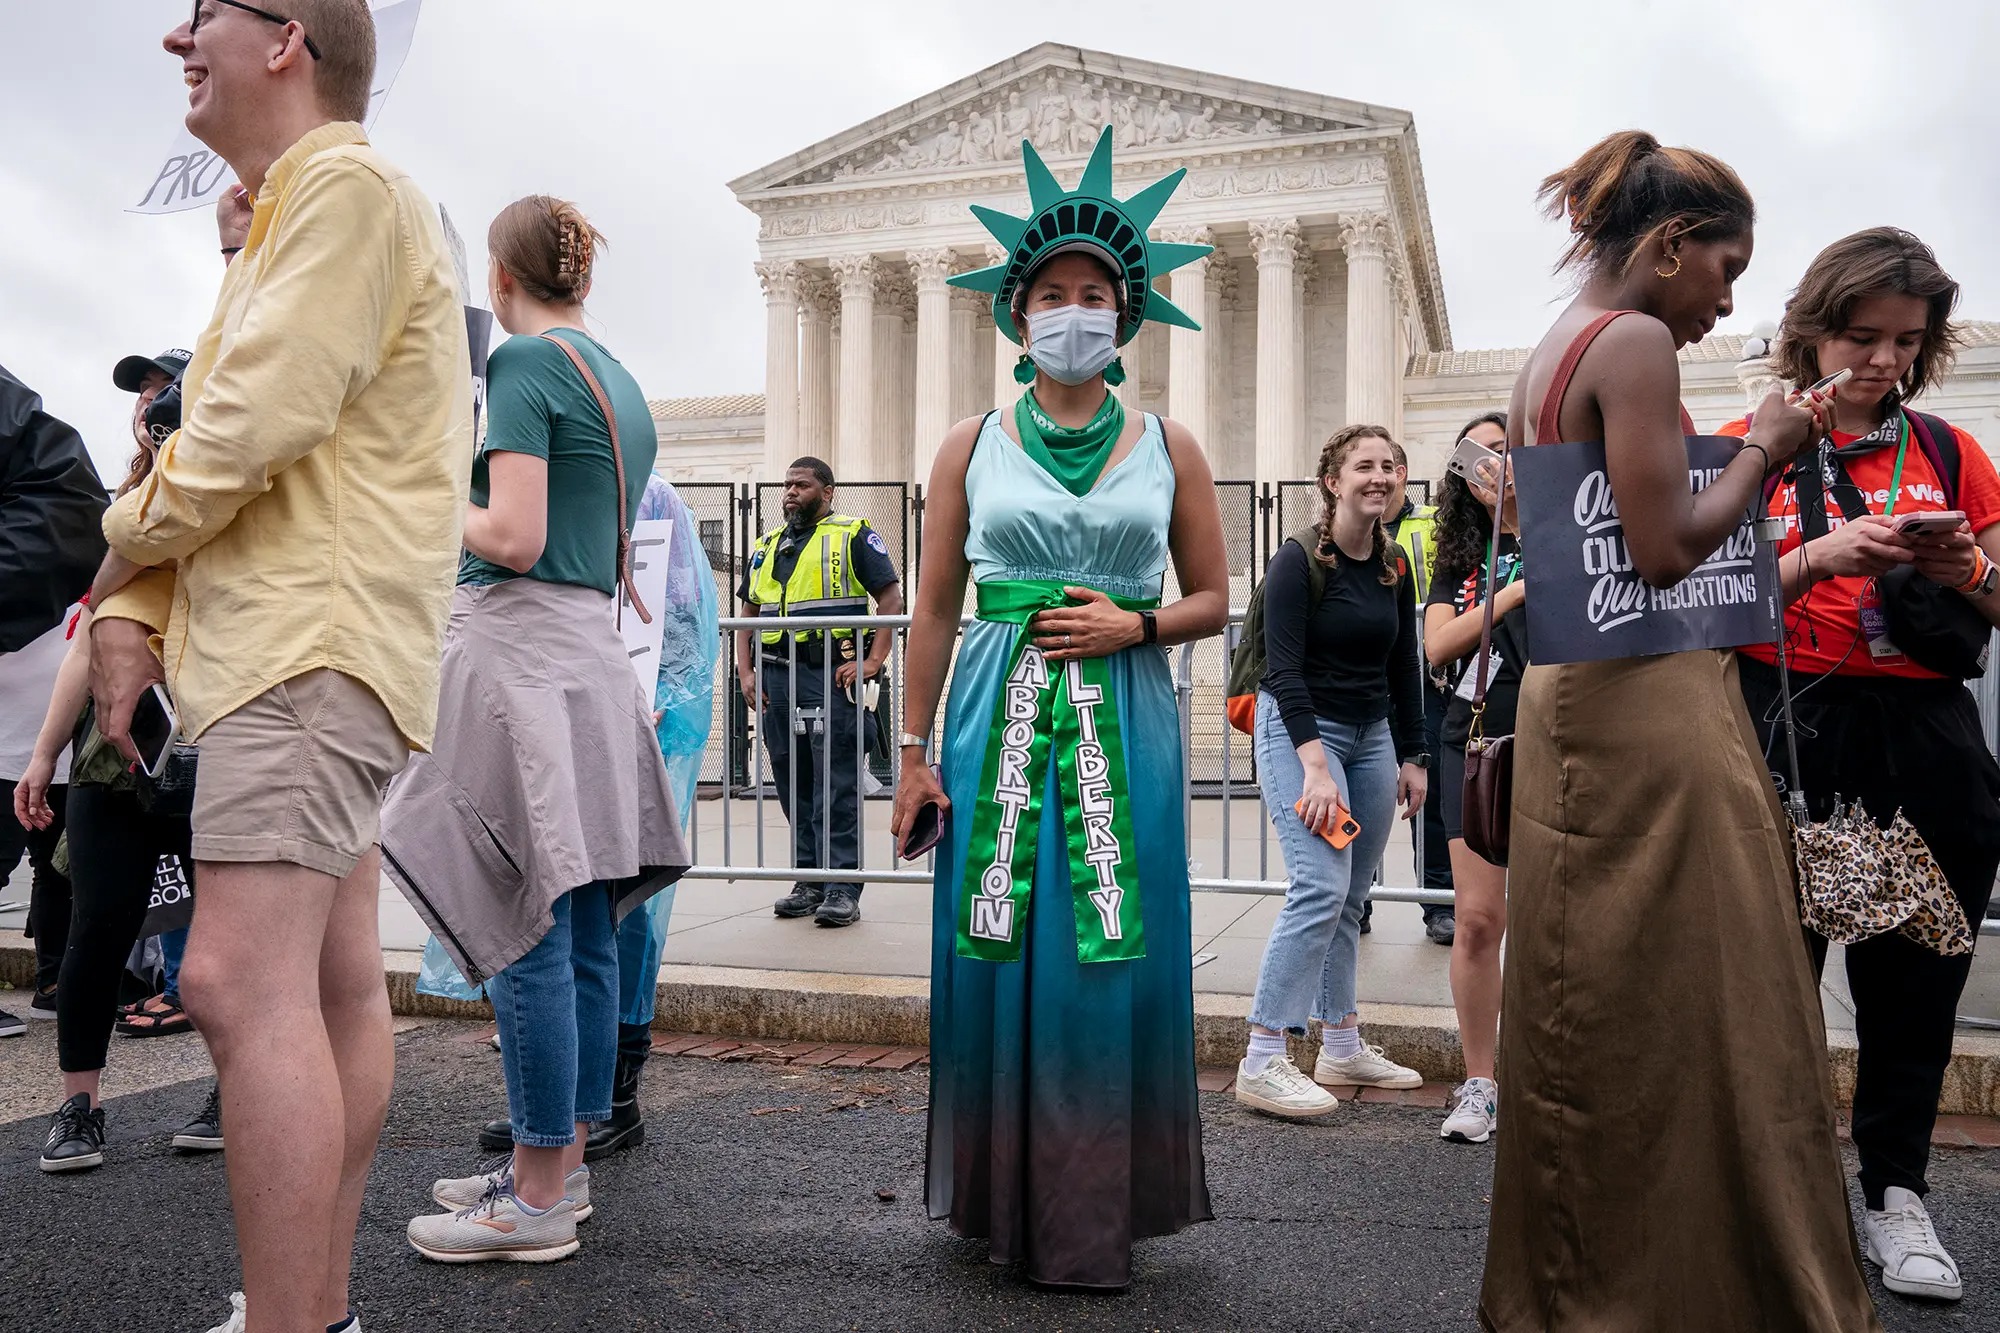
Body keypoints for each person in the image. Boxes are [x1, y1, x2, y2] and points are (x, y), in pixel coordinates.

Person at [92, 3, 475, 1328]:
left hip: (305, 648)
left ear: (286, 40)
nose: (173, 38)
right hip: (319, 644)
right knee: (324, 979)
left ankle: (298, 1315)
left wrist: (119, 550)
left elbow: (247, 420)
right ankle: (305, 1306)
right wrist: (138, 592)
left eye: (203, 13)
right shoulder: (302, 204)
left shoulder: (344, 186)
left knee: (234, 978)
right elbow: (232, 428)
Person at [1481, 131, 1877, 1330]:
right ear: (1664, 247)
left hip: (1569, 696)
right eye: (1723, 266)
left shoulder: (1547, 352)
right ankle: (1702, 1286)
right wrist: (1768, 439)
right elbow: (1663, 550)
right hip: (1651, 703)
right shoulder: (1637, 341)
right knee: (1707, 997)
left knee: (1580, 998)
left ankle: (1572, 1279)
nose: (1725, 299)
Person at [895, 126, 1224, 1288]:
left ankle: (1090, 1213)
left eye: (1093, 294)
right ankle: (1004, 1203)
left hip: (1119, 714)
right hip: (994, 710)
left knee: (1103, 945)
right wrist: (911, 751)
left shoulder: (1168, 445)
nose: (1071, 310)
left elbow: (1213, 601)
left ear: (1124, 318)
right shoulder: (965, 445)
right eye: (1051, 293)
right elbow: (933, 608)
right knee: (1003, 937)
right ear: (1016, 312)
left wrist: (1132, 625)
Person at [387, 195, 688, 1264]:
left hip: (518, 654)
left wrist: (423, 493)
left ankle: (536, 1195)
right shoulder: (622, 381)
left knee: (527, 925)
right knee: (586, 925)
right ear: (580, 278)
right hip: (588, 660)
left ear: (501, 284)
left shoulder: (521, 366)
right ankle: (550, 1163)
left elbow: (508, 535)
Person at [1725, 228, 2000, 1304]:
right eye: (1859, 334)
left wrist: (1963, 561)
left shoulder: (1945, 449)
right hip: (1783, 726)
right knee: (1764, 985)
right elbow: (1679, 588)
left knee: (1912, 983)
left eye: (1904, 340)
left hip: (1918, 735)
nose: (1882, 360)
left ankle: (1893, 1194)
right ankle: (1771, 1201)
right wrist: (1812, 557)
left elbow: (1995, 592)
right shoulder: (1743, 443)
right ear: (1808, 326)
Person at [19, 350, 224, 1173]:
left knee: (228, 941)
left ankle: (232, 1086)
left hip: (212, 747)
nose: (147, 402)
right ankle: (79, 1105)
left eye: (160, 388)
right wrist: (43, 758)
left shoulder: (222, 500)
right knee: (95, 930)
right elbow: (87, 643)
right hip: (113, 760)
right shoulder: (127, 512)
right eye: (142, 393)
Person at [474, 472, 718, 1160]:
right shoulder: (526, 486)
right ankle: (555, 1102)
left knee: (622, 907)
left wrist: (661, 692)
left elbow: (681, 619)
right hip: (555, 714)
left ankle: (616, 1095)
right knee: (549, 905)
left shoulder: (651, 498)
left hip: (640, 718)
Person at [1234, 425, 1429, 1119]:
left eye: (1390, 465)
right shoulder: (1295, 560)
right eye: (1364, 466)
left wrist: (1413, 753)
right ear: (1333, 481)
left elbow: (1403, 663)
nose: (1379, 476)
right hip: (1299, 731)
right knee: (1318, 884)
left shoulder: (1394, 566)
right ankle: (1262, 1056)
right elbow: (1282, 672)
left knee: (1353, 892)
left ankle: (1341, 1041)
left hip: (1373, 736)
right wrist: (1315, 768)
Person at [736, 458, 903, 928]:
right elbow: (747, 614)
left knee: (836, 781)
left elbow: (891, 600)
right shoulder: (767, 545)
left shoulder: (853, 535)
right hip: (776, 678)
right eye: (786, 484)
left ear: (827, 492)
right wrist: (744, 671)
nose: (790, 491)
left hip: (829, 675)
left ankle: (841, 887)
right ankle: (808, 879)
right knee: (792, 781)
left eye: (801, 484)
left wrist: (872, 661)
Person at [1419, 410, 1518, 1144]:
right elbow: (1439, 642)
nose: (1496, 466)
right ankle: (1480, 1080)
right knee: (1479, 917)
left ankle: (1550, 1075)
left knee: (1560, 918)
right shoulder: (1460, 553)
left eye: (1509, 449)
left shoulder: (1574, 530)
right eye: (1479, 456)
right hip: (1477, 737)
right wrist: (1514, 590)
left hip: (1563, 733)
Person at [0, 364, 107, 1041]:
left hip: (57, 727)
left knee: (59, 861)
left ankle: (52, 979)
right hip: (21, 729)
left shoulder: (78, 495)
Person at [1381, 439, 1454, 946]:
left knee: (1428, 796)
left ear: (1403, 473)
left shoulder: (1432, 525)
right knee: (1353, 795)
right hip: (1362, 679)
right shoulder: (1331, 533)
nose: (1377, 480)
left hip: (1424, 677)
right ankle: (1354, 903)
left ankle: (1438, 904)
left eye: (1387, 467)